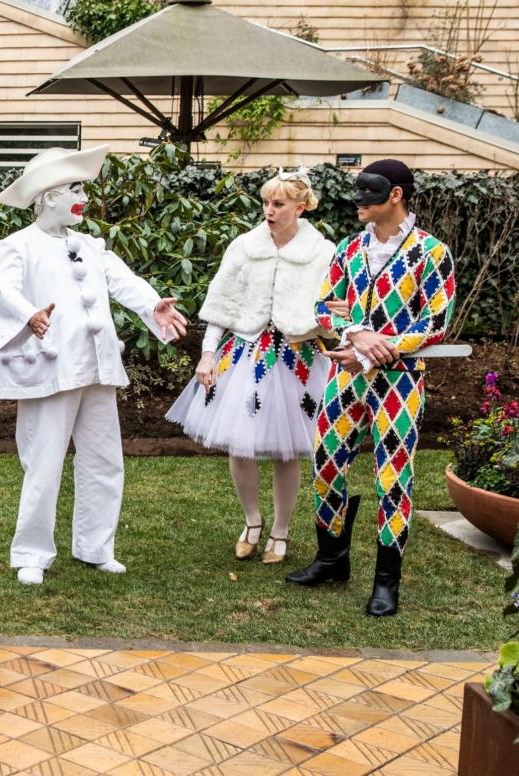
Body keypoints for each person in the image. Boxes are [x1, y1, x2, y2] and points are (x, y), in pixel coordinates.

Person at [0, 146, 187, 586]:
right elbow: (5, 288)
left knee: (103, 458)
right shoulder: (16, 246)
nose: (82, 196)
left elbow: (124, 282)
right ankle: (31, 554)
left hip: (96, 367)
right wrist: (29, 314)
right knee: (43, 461)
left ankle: (95, 546)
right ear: (48, 196)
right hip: (51, 368)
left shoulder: (89, 246)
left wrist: (154, 306)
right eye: (74, 188)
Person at [286, 159, 455, 617]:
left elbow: (436, 322)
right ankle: (331, 559)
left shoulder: (431, 253)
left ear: (395, 195)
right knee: (325, 463)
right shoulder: (347, 249)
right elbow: (324, 306)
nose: (358, 203)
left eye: (368, 194)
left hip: (399, 382)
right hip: (344, 376)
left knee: (393, 477)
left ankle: (386, 582)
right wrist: (356, 334)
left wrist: (384, 345)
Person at [165, 169, 335, 564]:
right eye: (266, 203)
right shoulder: (245, 246)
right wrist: (208, 353)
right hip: (247, 355)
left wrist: (332, 325)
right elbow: (221, 303)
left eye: (278, 204)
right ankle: (252, 522)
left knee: (286, 451)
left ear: (301, 206)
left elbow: (332, 306)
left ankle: (281, 530)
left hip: (299, 358)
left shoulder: (323, 252)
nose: (269, 211)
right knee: (240, 446)